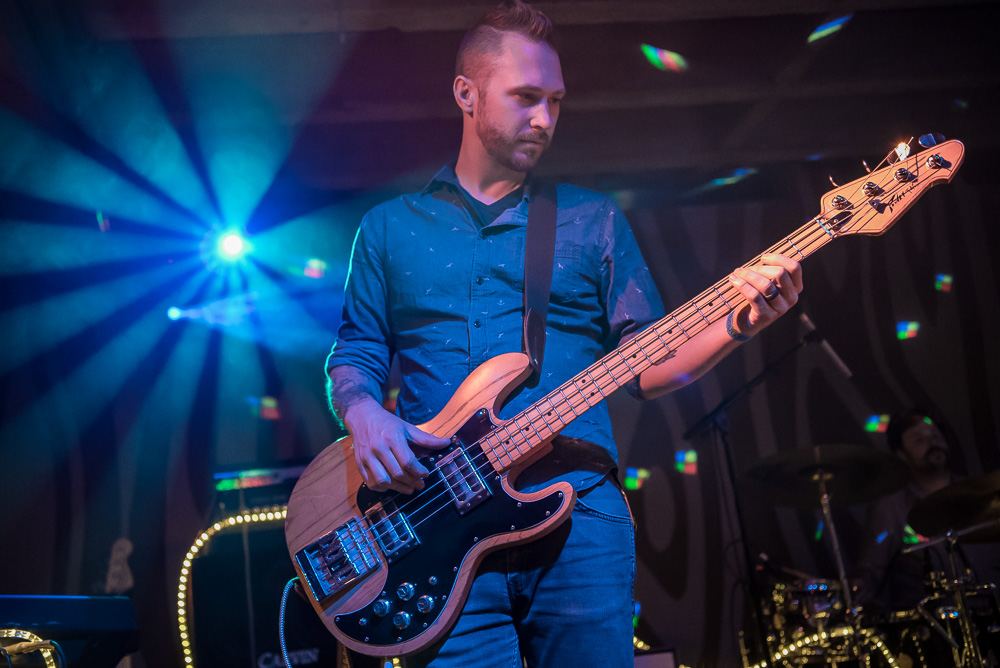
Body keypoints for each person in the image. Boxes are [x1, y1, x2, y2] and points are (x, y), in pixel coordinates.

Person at [324, 1, 803, 665]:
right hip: (436, 531)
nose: (545, 119)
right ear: (466, 93)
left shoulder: (591, 220)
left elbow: (648, 368)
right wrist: (364, 414)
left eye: (555, 101)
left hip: (578, 518)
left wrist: (739, 324)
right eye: (525, 98)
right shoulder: (387, 228)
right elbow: (355, 355)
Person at [853, 410, 957, 612]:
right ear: (902, 455)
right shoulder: (892, 506)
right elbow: (870, 570)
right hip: (931, 626)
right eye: (919, 440)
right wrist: (855, 587)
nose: (932, 443)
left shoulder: (980, 495)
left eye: (935, 436)